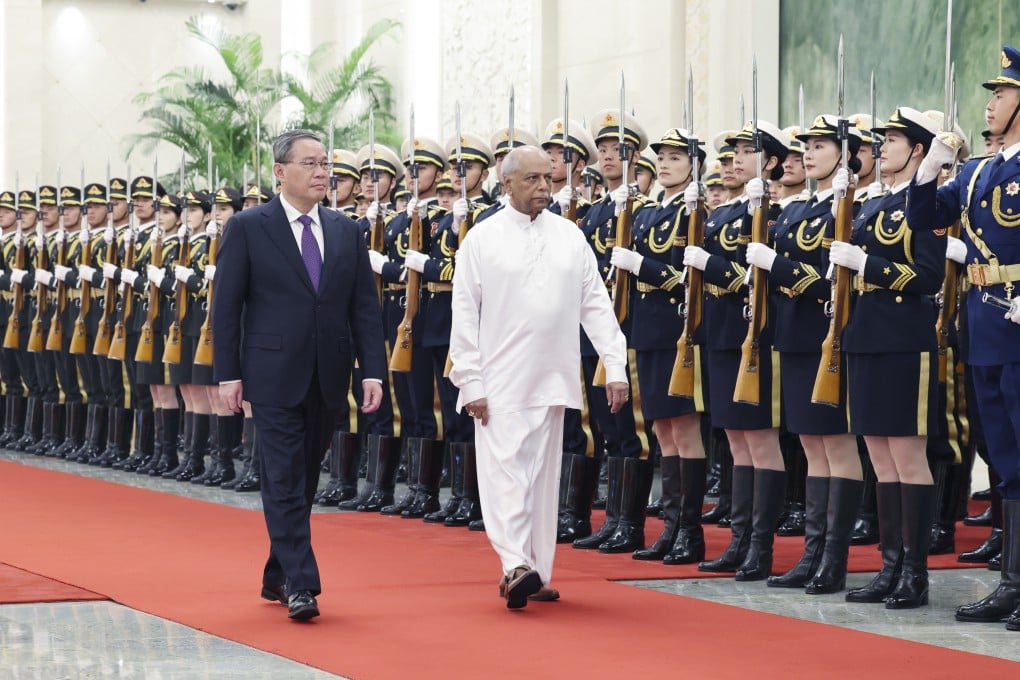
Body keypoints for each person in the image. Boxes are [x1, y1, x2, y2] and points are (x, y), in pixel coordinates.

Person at [214, 129, 386, 620]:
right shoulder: (249, 226)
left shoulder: (346, 230)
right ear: (280, 172)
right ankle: (302, 584)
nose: (322, 173)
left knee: (305, 478)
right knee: (285, 477)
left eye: (325, 164)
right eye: (310, 164)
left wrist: (371, 370)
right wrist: (229, 374)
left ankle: (277, 572)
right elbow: (226, 307)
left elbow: (364, 309)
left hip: (328, 372)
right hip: (270, 373)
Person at [449, 145, 628, 609]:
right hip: (499, 379)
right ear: (505, 184)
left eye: (548, 178)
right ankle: (514, 563)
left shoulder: (570, 236)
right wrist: (470, 381)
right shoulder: (481, 240)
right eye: (531, 180)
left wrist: (614, 365)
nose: (543, 188)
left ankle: (536, 570)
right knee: (504, 473)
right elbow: (464, 315)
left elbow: (596, 304)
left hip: (554, 375)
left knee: (542, 480)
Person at [907, 45, 1020, 629]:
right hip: (983, 321)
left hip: (1018, 317)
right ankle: (1013, 582)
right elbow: (923, 215)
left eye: (1002, 93)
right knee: (1004, 456)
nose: (992, 103)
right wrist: (932, 165)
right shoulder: (979, 170)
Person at [833, 107, 944, 609]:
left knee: (906, 453)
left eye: (893, 140)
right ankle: (890, 564)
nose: (882, 148)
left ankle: (915, 574)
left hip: (903, 335)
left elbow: (929, 277)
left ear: (918, 150)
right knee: (878, 453)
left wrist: (869, 265)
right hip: (866, 334)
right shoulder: (872, 203)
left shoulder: (922, 205)